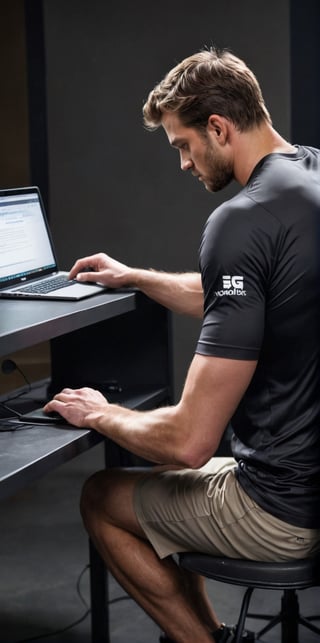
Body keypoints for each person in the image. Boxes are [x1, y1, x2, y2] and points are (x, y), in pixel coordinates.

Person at [44, 47, 320, 643]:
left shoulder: (241, 219)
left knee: (104, 495)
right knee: (167, 484)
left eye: (182, 145)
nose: (183, 164)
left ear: (217, 128)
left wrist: (103, 414)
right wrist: (137, 276)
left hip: (283, 509)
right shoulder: (311, 177)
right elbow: (249, 293)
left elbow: (190, 443)